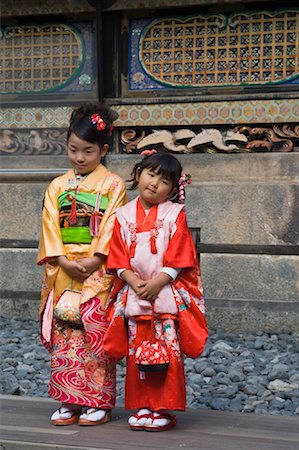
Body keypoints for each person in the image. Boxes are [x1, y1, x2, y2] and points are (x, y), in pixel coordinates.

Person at [104, 151, 208, 432]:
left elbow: (180, 254)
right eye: (150, 174)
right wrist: (132, 281)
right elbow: (116, 257)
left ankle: (162, 407)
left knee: (166, 351)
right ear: (138, 174)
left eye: (164, 181)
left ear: (173, 189)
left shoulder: (175, 215)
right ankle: (142, 406)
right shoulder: (123, 215)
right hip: (135, 289)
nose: (154, 184)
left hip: (164, 291)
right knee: (137, 351)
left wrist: (159, 281)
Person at [37, 103, 127, 426]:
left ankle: (98, 401)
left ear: (103, 150)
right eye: (73, 149)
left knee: (93, 331)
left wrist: (94, 259)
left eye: (87, 151)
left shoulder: (114, 185)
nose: (78, 157)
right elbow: (50, 225)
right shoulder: (57, 186)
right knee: (65, 330)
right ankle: (68, 399)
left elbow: (112, 225)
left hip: (97, 269)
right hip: (63, 268)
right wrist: (61, 259)